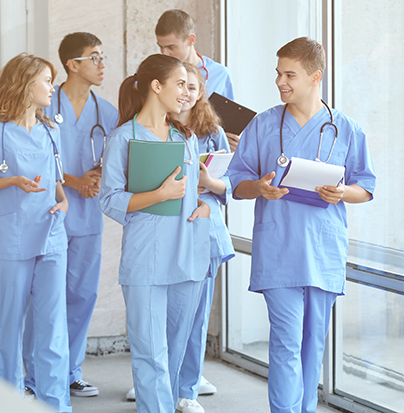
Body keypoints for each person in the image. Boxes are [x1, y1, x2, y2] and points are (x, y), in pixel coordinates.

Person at [226, 37, 376, 413]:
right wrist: (259, 186)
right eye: (278, 73)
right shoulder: (263, 125)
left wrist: (342, 193)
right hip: (279, 249)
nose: (280, 82)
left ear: (315, 76)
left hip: (322, 249)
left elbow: (366, 187)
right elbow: (236, 183)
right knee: (286, 342)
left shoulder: (346, 129)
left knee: (314, 345)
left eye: (289, 74)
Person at [99, 54, 211, 413]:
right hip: (146, 258)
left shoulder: (185, 137)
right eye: (180, 84)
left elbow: (197, 192)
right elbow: (110, 199)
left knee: (175, 351)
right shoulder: (122, 138)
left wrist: (206, 206)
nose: (186, 93)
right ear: (156, 86)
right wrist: (158, 195)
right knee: (150, 354)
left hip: (187, 253)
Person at [0, 53, 72, 413]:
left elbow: (58, 185)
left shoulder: (51, 130)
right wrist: (10, 180)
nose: (52, 87)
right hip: (11, 239)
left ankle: (56, 404)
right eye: (46, 80)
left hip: (52, 236)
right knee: (12, 327)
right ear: (25, 85)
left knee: (53, 327)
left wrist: (64, 203)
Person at [22, 32, 119, 398]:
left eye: (102, 56)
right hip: (50, 213)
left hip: (88, 217)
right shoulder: (45, 104)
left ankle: (70, 371)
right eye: (94, 57)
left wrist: (98, 177)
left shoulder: (106, 113)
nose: (101, 64)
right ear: (72, 65)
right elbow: (33, 159)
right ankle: (34, 376)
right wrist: (76, 181)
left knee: (81, 295)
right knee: (45, 297)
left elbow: (116, 160)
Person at [168, 63, 235, 413]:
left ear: (201, 92)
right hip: (166, 228)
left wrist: (208, 183)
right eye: (181, 85)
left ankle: (186, 390)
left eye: (192, 87)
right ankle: (157, 383)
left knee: (195, 317)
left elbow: (231, 185)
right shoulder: (156, 127)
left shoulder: (214, 133)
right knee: (163, 315)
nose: (186, 93)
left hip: (204, 231)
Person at [155, 9, 240, 152]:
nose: (165, 53)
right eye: (160, 47)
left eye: (171, 47)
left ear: (191, 40)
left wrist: (229, 141)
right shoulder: (154, 73)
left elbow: (228, 123)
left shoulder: (220, 74)